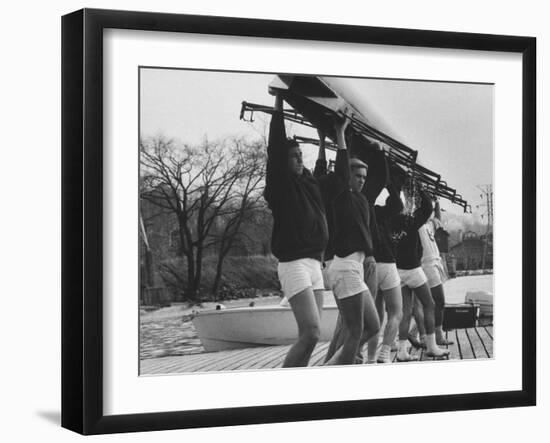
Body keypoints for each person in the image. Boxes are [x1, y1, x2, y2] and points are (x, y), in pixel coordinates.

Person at [263, 94, 329, 367]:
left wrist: (325, 140)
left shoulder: (309, 183)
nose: (299, 160)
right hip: (294, 265)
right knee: (310, 332)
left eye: (301, 155)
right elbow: (276, 146)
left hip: (315, 264)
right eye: (293, 157)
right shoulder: (281, 186)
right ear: (283, 161)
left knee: (313, 336)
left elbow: (322, 169)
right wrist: (279, 104)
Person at [317, 117, 380, 365]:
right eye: (357, 175)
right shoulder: (338, 195)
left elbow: (375, 178)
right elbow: (334, 171)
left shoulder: (363, 201)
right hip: (344, 267)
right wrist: (339, 135)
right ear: (346, 176)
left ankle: (331, 367)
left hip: (356, 268)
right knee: (355, 331)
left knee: (373, 326)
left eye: (364, 176)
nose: (362, 180)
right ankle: (335, 373)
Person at [391, 184, 450, 361]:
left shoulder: (389, 221)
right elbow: (427, 207)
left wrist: (394, 188)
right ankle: (432, 345)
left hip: (398, 270)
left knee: (405, 311)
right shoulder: (412, 222)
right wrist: (419, 187)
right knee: (430, 304)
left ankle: (402, 350)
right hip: (414, 269)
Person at [418, 200, 454, 346]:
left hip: (435, 264)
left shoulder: (428, 225)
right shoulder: (417, 224)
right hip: (427, 265)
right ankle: (436, 336)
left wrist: (437, 203)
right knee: (437, 301)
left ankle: (429, 335)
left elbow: (438, 218)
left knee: (431, 304)